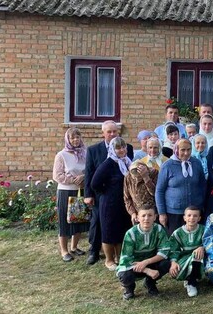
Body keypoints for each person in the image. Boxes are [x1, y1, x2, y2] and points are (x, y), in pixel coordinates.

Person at [84, 121, 133, 265]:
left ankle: (120, 256)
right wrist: (95, 193)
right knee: (101, 225)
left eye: (115, 131)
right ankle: (97, 252)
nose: (112, 134)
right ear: (103, 133)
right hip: (106, 197)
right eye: (109, 132)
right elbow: (90, 175)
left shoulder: (127, 153)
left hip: (122, 198)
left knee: (120, 227)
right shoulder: (95, 150)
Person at [116, 204, 172, 300]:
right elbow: (126, 259)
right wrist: (146, 270)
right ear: (137, 218)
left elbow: (165, 251)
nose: (146, 218)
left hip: (151, 262)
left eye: (150, 215)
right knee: (124, 274)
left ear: (155, 217)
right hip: (133, 265)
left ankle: (150, 283)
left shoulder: (158, 229)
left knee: (166, 263)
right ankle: (129, 289)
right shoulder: (131, 233)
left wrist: (146, 262)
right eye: (143, 216)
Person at [53, 127, 89, 262]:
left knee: (78, 219)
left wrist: (84, 177)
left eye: (78, 137)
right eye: (72, 137)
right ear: (67, 139)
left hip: (81, 190)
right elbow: (57, 176)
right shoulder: (61, 155)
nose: (75, 140)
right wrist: (73, 180)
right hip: (65, 190)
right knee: (64, 221)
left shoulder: (85, 153)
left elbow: (90, 169)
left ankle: (74, 247)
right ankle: (64, 250)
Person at [156, 139, 206, 235]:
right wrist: (161, 213)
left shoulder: (196, 163)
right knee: (176, 241)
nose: (186, 153)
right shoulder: (167, 166)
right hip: (174, 213)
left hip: (194, 213)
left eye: (189, 149)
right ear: (176, 150)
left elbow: (202, 185)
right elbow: (159, 191)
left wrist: (201, 204)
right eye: (183, 150)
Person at [169, 205, 205, 297]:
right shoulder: (177, 233)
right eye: (189, 215)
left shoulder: (204, 229)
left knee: (197, 255)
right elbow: (174, 250)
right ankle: (188, 277)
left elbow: (210, 242)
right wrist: (173, 263)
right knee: (177, 270)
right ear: (184, 218)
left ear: (199, 218)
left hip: (201, 257)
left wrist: (202, 247)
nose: (192, 218)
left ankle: (191, 283)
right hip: (184, 259)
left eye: (195, 216)